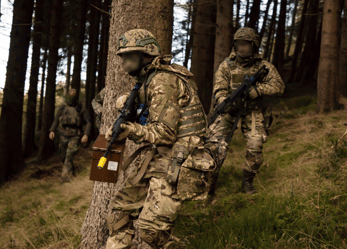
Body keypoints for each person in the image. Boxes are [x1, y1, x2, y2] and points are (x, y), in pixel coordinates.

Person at [105, 29, 212, 249]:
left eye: (129, 55)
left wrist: (132, 131)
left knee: (150, 230)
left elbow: (165, 132)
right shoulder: (147, 81)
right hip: (158, 158)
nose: (124, 62)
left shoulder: (163, 80)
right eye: (122, 56)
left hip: (179, 161)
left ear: (146, 54)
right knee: (118, 217)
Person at [208, 27, 285, 195]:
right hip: (229, 110)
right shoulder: (226, 65)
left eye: (245, 44)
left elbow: (279, 87)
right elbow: (219, 88)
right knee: (214, 146)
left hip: (253, 110)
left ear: (253, 45)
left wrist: (259, 90)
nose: (241, 48)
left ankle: (247, 182)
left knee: (256, 145)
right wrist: (223, 101)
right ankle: (209, 183)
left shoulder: (264, 66)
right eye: (238, 44)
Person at [49, 88, 91, 182]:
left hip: (75, 136)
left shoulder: (81, 107)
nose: (72, 96)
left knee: (69, 155)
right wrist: (52, 130)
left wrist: (86, 134)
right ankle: (71, 172)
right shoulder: (63, 107)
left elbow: (88, 122)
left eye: (74, 94)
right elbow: (56, 119)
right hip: (63, 135)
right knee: (64, 157)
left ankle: (65, 179)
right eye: (70, 94)